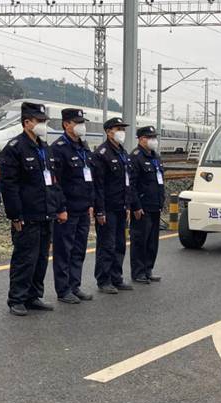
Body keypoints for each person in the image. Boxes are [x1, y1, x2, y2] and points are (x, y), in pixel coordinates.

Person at [0, 102, 67, 316]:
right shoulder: (15, 148)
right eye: (39, 121)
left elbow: (53, 181)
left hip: (46, 212)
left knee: (40, 258)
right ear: (27, 122)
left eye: (44, 121)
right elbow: (8, 185)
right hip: (27, 214)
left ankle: (34, 296)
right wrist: (15, 215)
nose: (43, 125)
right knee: (25, 258)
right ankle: (17, 299)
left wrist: (60, 207)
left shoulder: (44, 148)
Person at [50, 108, 94, 304]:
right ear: (66, 124)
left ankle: (75, 285)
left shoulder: (83, 146)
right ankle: (63, 289)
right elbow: (55, 182)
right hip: (68, 209)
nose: (81, 126)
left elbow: (89, 178)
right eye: (77, 123)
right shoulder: (58, 148)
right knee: (64, 250)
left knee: (78, 249)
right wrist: (61, 208)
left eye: (82, 122)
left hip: (83, 208)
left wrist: (91, 203)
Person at [92, 117, 134, 294]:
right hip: (108, 208)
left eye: (123, 129)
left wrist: (128, 205)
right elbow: (98, 186)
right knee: (106, 245)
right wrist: (100, 211)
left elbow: (127, 182)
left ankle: (116, 277)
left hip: (121, 207)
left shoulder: (122, 152)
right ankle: (104, 280)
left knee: (119, 244)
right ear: (109, 132)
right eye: (118, 129)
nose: (122, 132)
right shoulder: (102, 154)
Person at [129, 126, 165, 284]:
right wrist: (136, 206)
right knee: (140, 241)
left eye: (154, 137)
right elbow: (131, 185)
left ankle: (148, 269)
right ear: (141, 139)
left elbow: (160, 181)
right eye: (150, 137)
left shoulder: (156, 157)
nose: (153, 140)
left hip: (155, 205)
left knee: (152, 242)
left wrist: (161, 200)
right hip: (143, 207)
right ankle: (138, 272)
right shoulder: (135, 157)